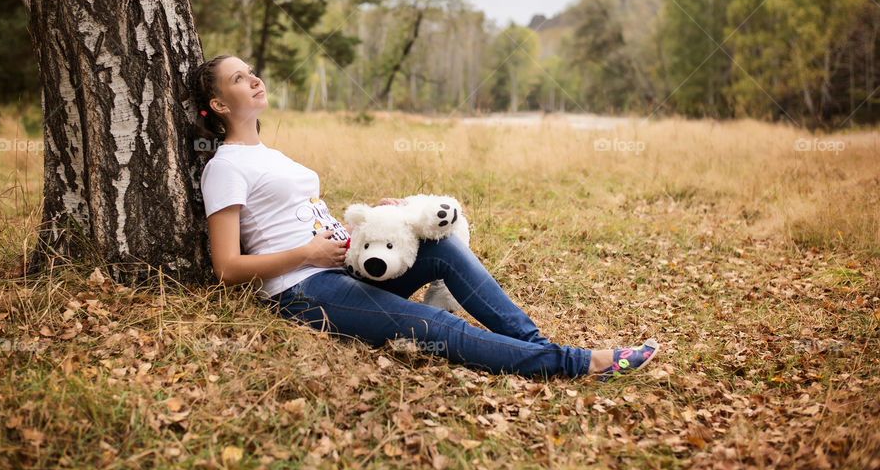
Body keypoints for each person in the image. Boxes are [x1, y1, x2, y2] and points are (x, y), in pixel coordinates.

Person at [189, 54, 660, 381]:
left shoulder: (273, 155)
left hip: (344, 264)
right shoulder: (225, 166)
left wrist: (374, 222)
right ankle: (578, 363)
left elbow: (311, 218)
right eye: (238, 78)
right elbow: (227, 268)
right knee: (437, 328)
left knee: (444, 246)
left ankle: (534, 344)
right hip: (303, 291)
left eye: (252, 72)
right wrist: (307, 254)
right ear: (220, 106)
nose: (254, 79)